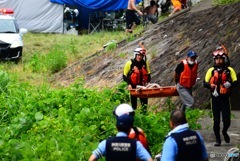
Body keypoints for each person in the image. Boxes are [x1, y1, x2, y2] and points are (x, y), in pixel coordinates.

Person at [203, 47, 237, 146]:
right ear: (214, 60)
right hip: (215, 99)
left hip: (225, 98)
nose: (218, 61)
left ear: (223, 59)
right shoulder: (211, 71)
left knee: (227, 120)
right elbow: (204, 83)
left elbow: (236, 82)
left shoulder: (229, 70)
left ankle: (224, 131)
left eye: (220, 59)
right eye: (217, 59)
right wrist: (210, 85)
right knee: (216, 121)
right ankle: (218, 140)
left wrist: (229, 84)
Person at [88, 114, 153, 161]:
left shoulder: (106, 143)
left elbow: (92, 159)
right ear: (130, 129)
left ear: (116, 127)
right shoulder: (136, 145)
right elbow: (149, 159)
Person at [123, 47, 151, 111]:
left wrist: (148, 82)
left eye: (141, 56)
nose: (140, 57)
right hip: (133, 87)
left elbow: (148, 73)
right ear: (135, 55)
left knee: (144, 106)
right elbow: (124, 75)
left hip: (142, 87)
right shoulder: (130, 63)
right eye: (138, 55)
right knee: (134, 106)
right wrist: (129, 84)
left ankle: (144, 117)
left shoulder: (145, 63)